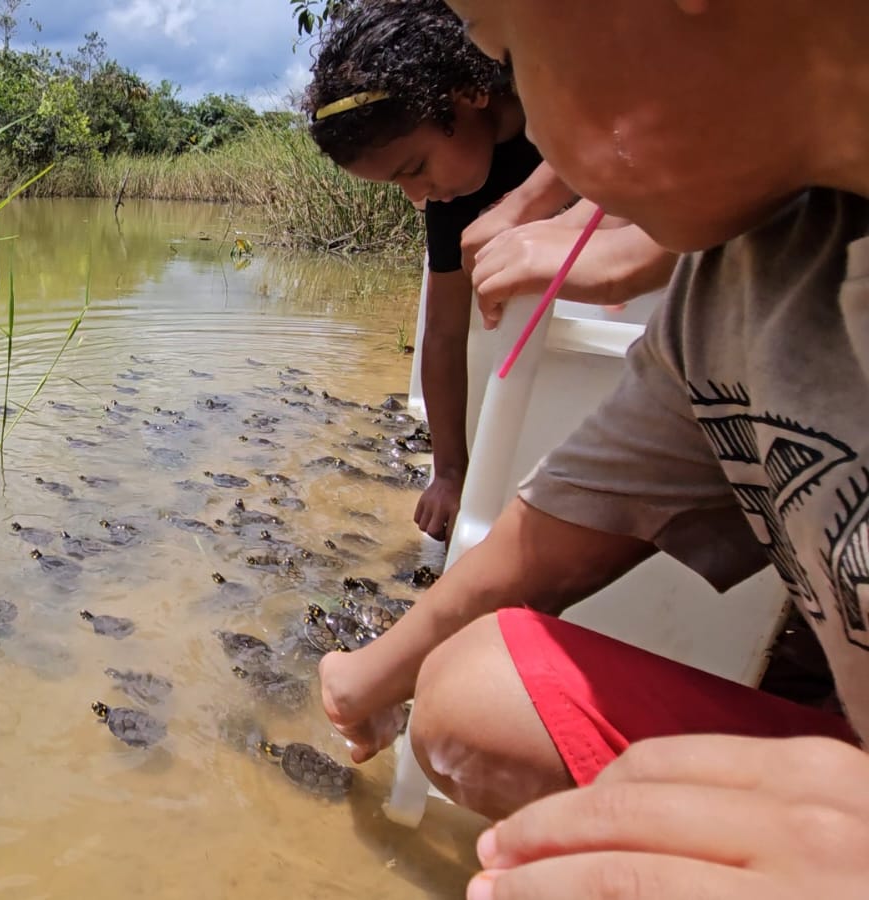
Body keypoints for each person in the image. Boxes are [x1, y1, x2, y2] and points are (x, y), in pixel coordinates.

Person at [316, 1, 869, 897]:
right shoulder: (726, 297)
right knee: (471, 696)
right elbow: (533, 549)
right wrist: (364, 681)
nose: (544, 168)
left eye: (510, 54)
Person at [302, 0, 675, 546]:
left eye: (417, 169)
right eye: (397, 185)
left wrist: (531, 208)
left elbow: (636, 143)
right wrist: (450, 471)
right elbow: (445, 333)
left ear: (469, 95)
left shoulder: (565, 93)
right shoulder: (452, 202)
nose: (416, 199)